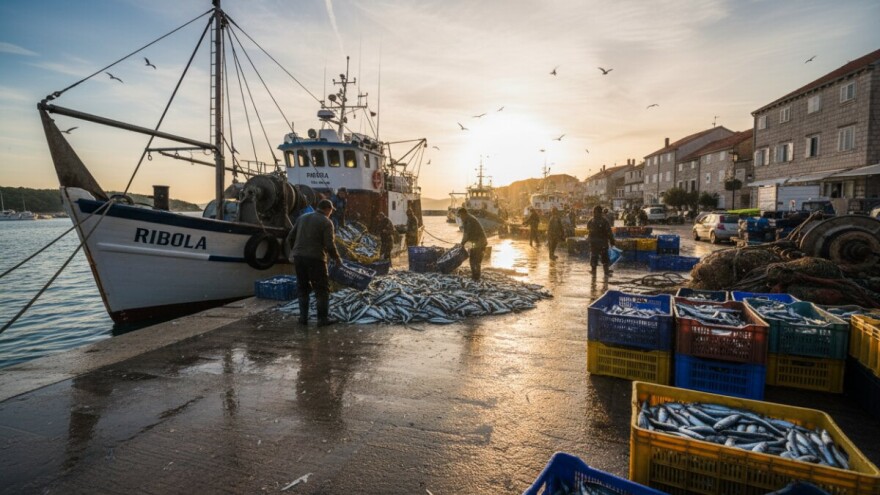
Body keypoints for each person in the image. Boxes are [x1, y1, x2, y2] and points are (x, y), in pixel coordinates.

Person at [287, 199, 342, 327]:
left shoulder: (302, 218)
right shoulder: (326, 222)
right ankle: (322, 319)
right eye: (331, 211)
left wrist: (296, 250)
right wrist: (337, 258)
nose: (331, 213)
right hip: (316, 259)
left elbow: (290, 237)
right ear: (327, 209)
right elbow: (329, 244)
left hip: (299, 258)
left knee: (303, 288)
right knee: (321, 289)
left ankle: (303, 318)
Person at [459, 207, 487, 281]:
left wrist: (462, 244)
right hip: (477, 242)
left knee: (475, 260)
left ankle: (476, 277)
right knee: (474, 259)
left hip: (479, 242)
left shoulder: (468, 221)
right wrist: (463, 244)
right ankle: (475, 276)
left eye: (461, 216)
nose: (460, 218)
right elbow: (467, 236)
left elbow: (466, 235)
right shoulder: (469, 218)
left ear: (464, 214)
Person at [588, 205, 616, 277]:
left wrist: (589, 240)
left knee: (594, 257)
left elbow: (589, 231)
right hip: (602, 243)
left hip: (594, 243)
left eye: (594, 212)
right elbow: (609, 232)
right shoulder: (604, 221)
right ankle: (605, 273)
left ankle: (594, 274)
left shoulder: (591, 221)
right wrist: (612, 241)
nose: (594, 213)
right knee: (604, 258)